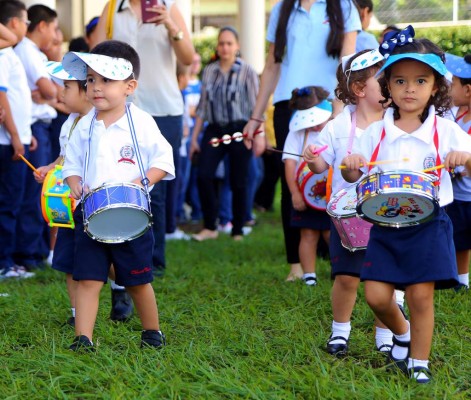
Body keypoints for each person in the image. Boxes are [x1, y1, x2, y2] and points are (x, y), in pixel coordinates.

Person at [340, 26, 471, 383]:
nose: (409, 89)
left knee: (419, 295)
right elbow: (355, 177)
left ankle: (420, 361)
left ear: (435, 87)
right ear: (388, 87)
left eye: (420, 81)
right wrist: (351, 167)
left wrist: (465, 157)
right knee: (377, 295)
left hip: (429, 224)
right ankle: (402, 333)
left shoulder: (443, 131)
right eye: (399, 81)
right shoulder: (377, 131)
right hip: (385, 224)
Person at [62, 40, 175, 350]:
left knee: (138, 280)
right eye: (91, 80)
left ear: (130, 86)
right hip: (90, 215)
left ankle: (152, 331)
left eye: (106, 80)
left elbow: (163, 160)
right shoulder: (84, 126)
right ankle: (83, 337)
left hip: (131, 215)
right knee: (88, 279)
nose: (96, 87)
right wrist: (74, 182)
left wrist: (145, 180)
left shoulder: (141, 123)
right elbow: (71, 164)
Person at [243, 0, 361, 280]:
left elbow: (347, 61)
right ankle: (295, 263)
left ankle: (342, 257)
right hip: (290, 106)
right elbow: (272, 64)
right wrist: (256, 116)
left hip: (330, 105)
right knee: (291, 181)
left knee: (337, 178)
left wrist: (339, 107)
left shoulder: (343, 6)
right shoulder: (282, 9)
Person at [303, 49, 397, 355]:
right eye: (384, 80)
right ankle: (340, 332)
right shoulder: (338, 126)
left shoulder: (396, 123)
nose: (391, 85)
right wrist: (313, 161)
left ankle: (385, 337)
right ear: (359, 89)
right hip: (350, 219)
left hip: (390, 215)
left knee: (387, 280)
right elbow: (320, 164)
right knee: (346, 278)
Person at [94, 0, 194, 278]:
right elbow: (96, 55)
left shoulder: (169, 6)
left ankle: (152, 260)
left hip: (163, 108)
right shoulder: (113, 8)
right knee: (120, 179)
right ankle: (119, 255)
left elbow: (188, 58)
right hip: (121, 109)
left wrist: (171, 25)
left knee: (155, 190)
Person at [34, 61, 92, 326]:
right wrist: (49, 168)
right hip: (68, 207)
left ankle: (120, 289)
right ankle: (76, 313)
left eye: (66, 88)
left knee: (104, 260)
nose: (61, 94)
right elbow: (63, 157)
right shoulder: (68, 123)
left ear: (86, 90)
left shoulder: (97, 123)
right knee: (68, 261)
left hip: (91, 205)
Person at [189, 26, 260, 241]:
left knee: (239, 180)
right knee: (204, 175)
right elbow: (202, 107)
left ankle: (237, 229)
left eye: (229, 43)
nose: (225, 47)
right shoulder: (209, 70)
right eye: (221, 43)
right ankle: (210, 226)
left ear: (237, 46)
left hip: (240, 129)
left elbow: (256, 105)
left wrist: (257, 135)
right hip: (215, 128)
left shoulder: (247, 71)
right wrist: (194, 138)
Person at [13, 3, 58, 270]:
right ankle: (27, 255)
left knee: (41, 190)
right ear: (41, 25)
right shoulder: (28, 51)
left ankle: (36, 250)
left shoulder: (33, 52)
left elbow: (52, 92)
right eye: (52, 28)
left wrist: (49, 93)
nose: (54, 36)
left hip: (41, 126)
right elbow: (51, 90)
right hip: (36, 128)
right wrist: (48, 93)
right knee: (36, 191)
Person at [283, 86, 332, 286]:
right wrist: (295, 193)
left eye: (318, 122)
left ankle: (340, 270)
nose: (315, 127)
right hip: (306, 196)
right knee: (308, 234)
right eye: (310, 123)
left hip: (331, 195)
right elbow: (289, 164)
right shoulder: (296, 135)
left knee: (332, 234)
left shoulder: (334, 129)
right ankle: (309, 274)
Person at [0, 0, 34, 279]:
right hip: (6, 142)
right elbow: (2, 97)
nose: (26, 28)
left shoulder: (10, 52)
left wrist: (26, 134)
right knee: (7, 204)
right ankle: (4, 263)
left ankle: (9, 261)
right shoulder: (3, 53)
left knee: (15, 202)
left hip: (16, 138)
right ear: (12, 23)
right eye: (25, 22)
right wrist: (14, 136)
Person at [444, 53, 471, 291]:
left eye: (453, 83)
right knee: (460, 240)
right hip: (458, 195)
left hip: (469, 194)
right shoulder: (457, 117)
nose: (449, 88)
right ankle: (461, 281)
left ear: (468, 90)